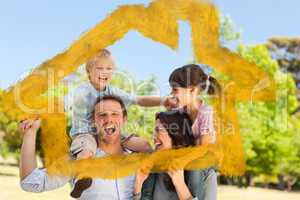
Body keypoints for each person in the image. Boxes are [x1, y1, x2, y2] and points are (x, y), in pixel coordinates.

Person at [68, 49, 174, 197]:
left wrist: (163, 101)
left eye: (109, 69)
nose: (104, 72)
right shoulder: (82, 92)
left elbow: (137, 100)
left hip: (110, 132)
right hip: (87, 134)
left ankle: (159, 175)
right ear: (89, 71)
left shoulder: (112, 90)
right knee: (86, 152)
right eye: (99, 68)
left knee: (143, 145)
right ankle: (81, 179)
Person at [19, 95, 148, 199]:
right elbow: (30, 183)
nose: (109, 119)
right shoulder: (79, 157)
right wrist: (30, 133)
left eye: (115, 114)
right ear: (93, 121)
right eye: (102, 115)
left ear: (124, 119)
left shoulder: (138, 160)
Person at [166, 64, 221, 200]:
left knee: (194, 169)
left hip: (206, 160)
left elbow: (204, 147)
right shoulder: (180, 112)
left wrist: (183, 160)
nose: (172, 94)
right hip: (192, 158)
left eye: (175, 89)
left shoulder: (205, 112)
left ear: (192, 90)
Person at [133, 110, 198, 200]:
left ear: (176, 134)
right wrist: (138, 185)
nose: (153, 137)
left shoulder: (202, 172)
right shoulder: (152, 171)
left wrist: (180, 184)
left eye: (158, 130)